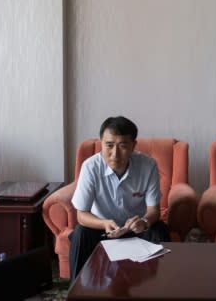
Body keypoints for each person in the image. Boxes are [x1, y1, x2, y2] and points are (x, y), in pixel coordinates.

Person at [68, 116, 170, 282]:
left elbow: (154, 210)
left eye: (123, 146)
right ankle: (76, 290)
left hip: (135, 229)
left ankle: (161, 287)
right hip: (102, 229)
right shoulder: (90, 167)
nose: (115, 154)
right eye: (109, 145)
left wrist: (144, 221)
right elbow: (81, 215)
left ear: (133, 146)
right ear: (101, 143)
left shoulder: (148, 165)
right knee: (80, 233)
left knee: (159, 229)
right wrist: (104, 223)